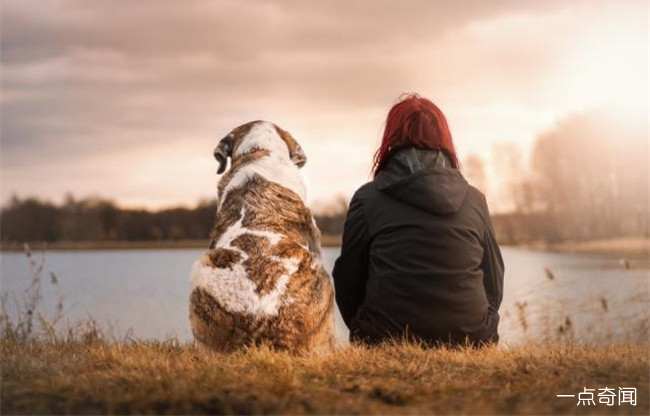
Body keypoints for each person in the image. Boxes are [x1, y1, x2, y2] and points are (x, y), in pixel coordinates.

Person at [332, 93, 504, 347]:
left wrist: (364, 328)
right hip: (471, 339)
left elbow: (348, 280)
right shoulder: (474, 199)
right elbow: (494, 279)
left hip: (385, 339)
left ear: (391, 139)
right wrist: (479, 326)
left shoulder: (367, 199)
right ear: (444, 140)